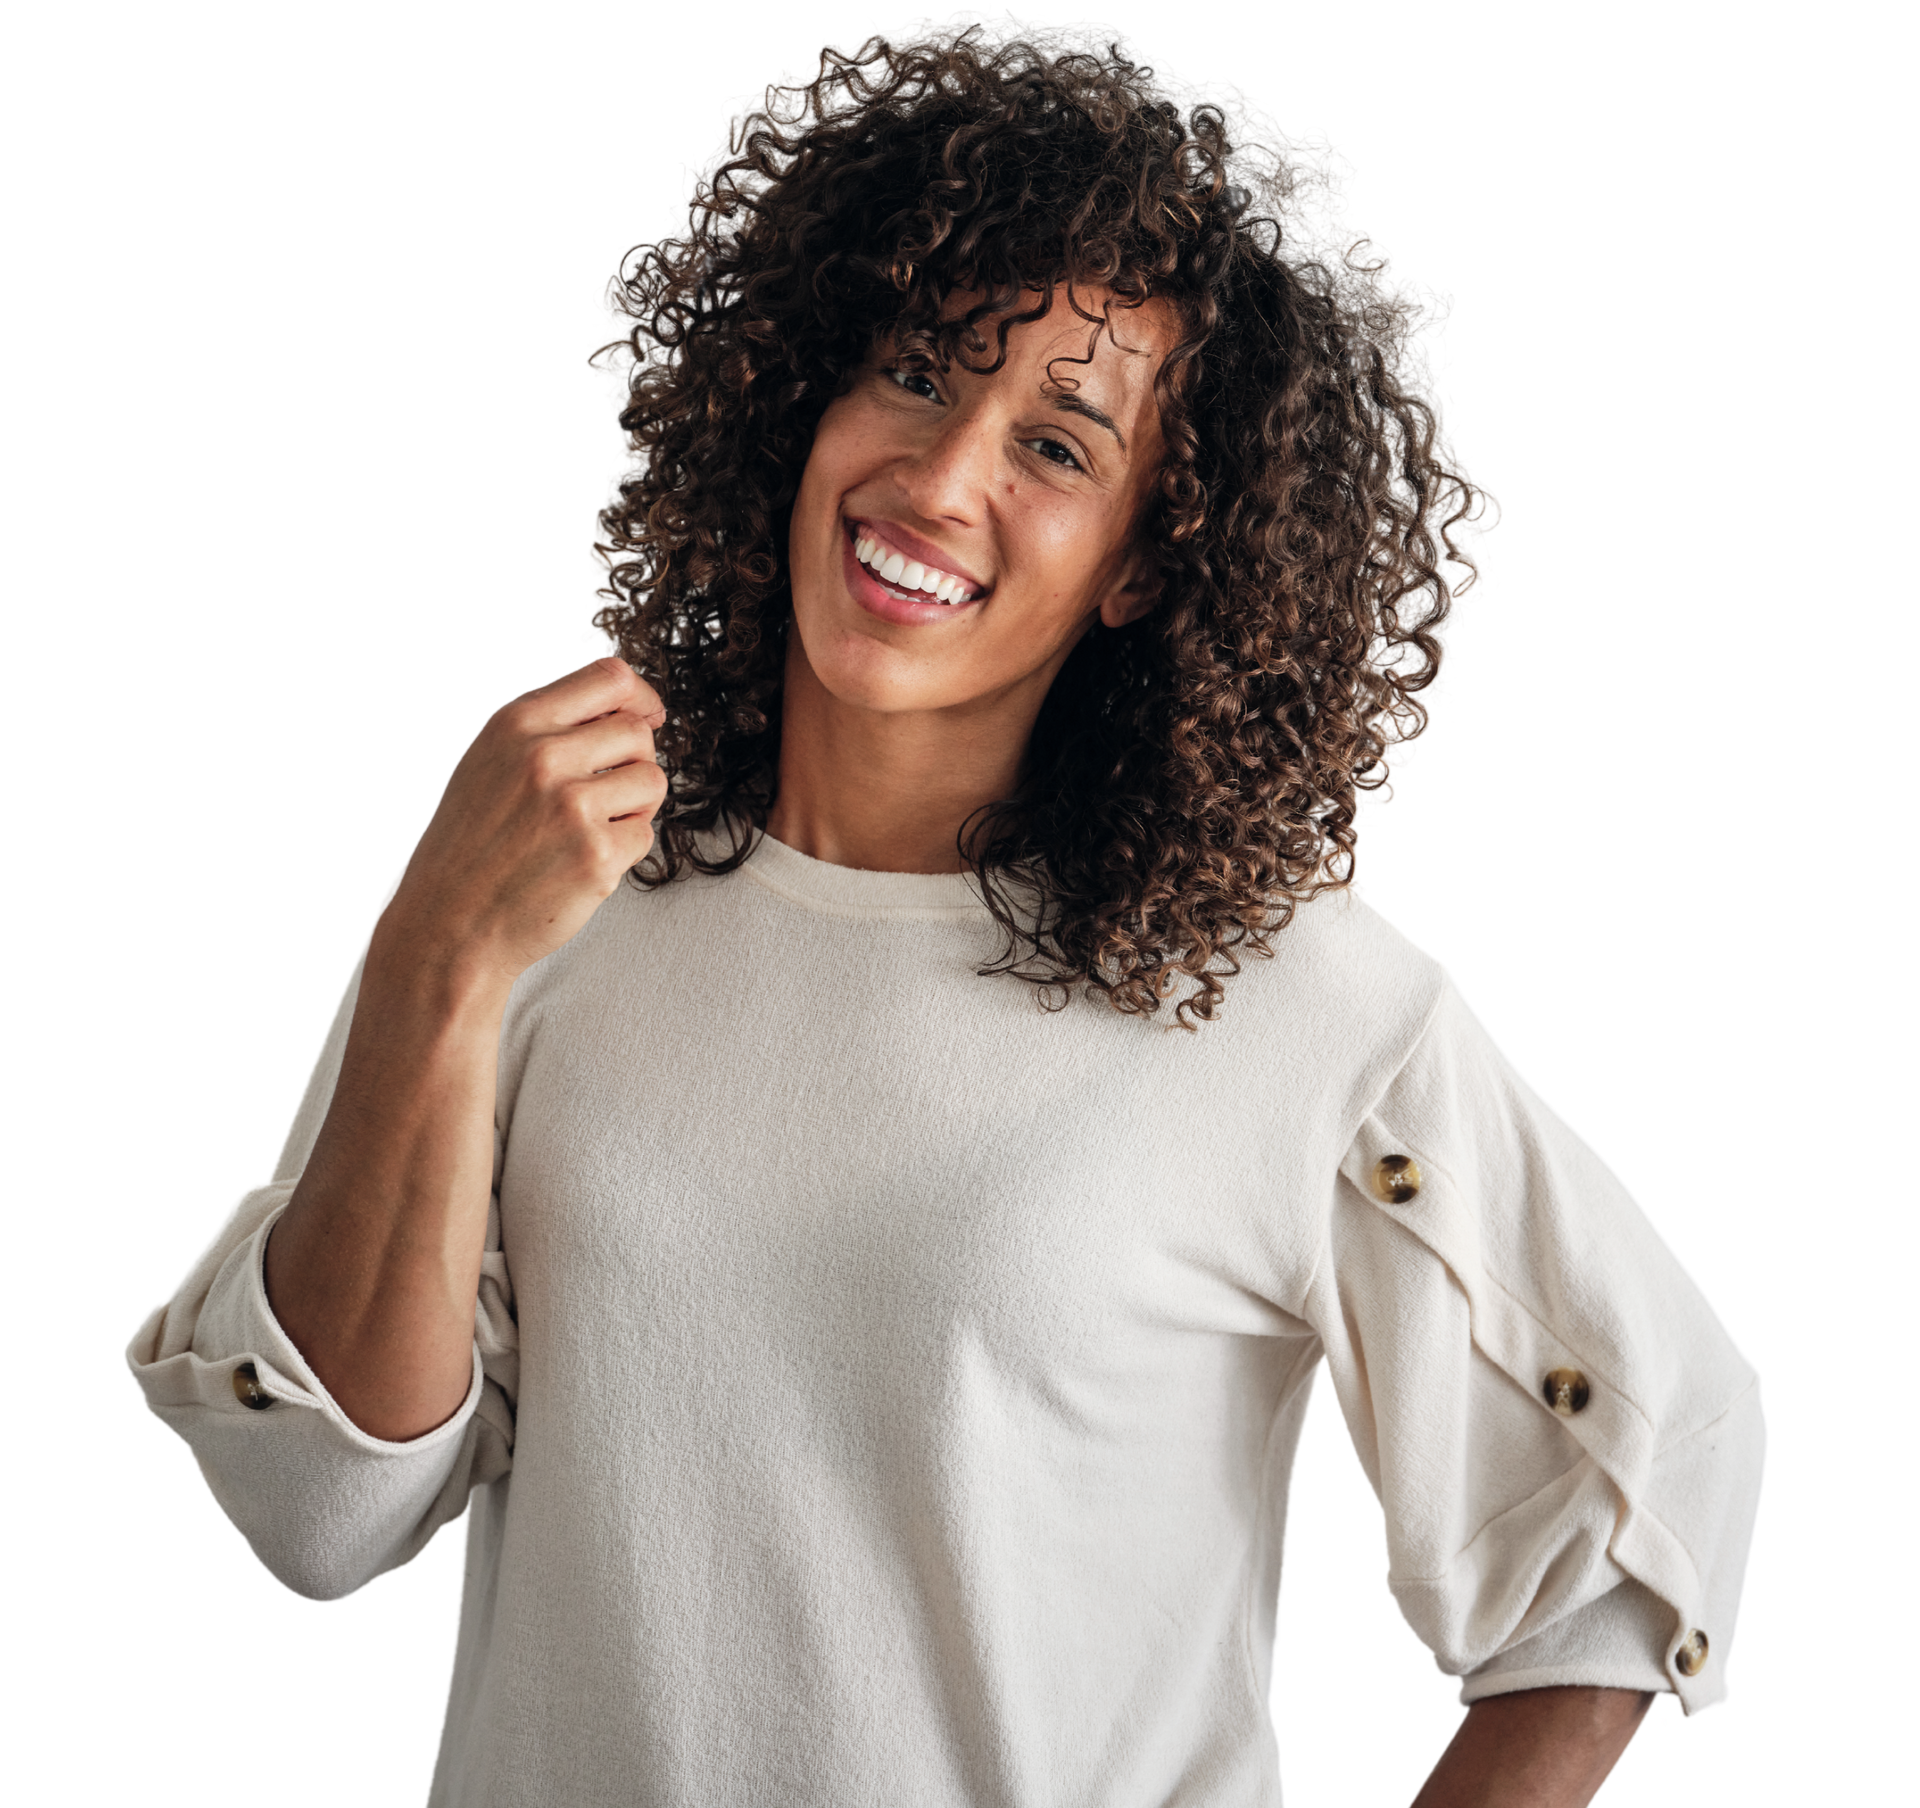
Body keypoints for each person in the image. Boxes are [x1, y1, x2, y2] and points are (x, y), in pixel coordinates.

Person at [122, 17, 1766, 1806]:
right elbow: (319, 1512)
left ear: (1151, 558)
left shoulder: (1289, 998)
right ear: (806, 388)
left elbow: (1643, 1498)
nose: (940, 475)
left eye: (1057, 447)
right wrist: (433, 957)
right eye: (915, 369)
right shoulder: (540, 887)